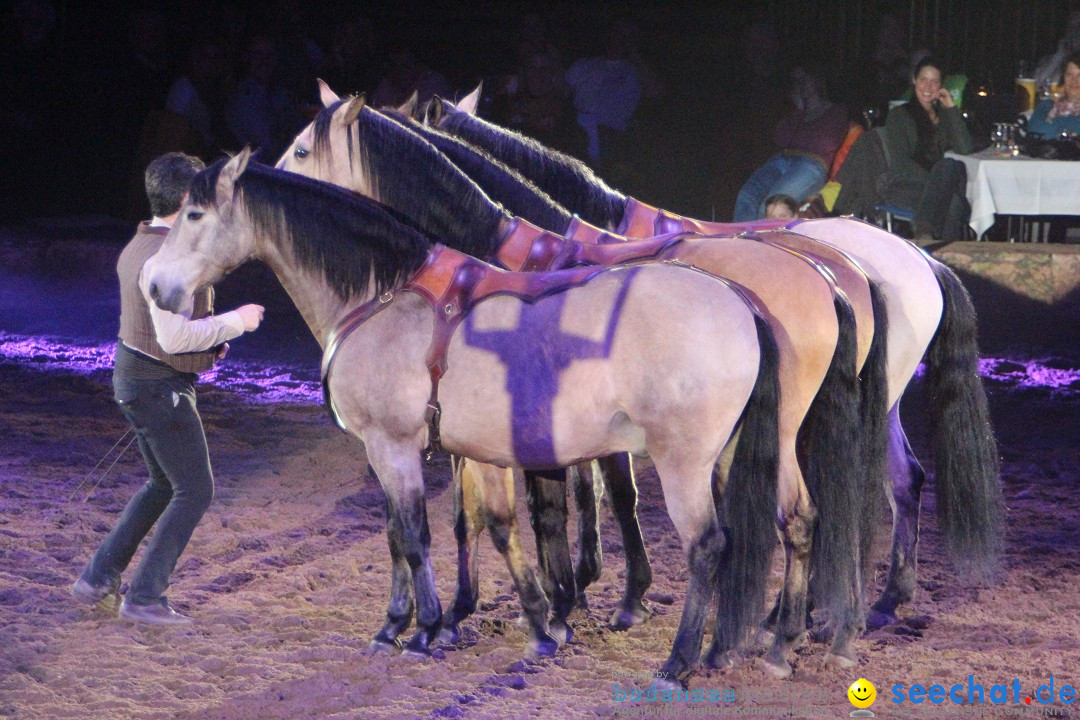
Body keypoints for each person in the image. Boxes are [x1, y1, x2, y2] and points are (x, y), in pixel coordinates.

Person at [71, 153, 264, 625]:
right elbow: (174, 338)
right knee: (194, 490)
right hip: (158, 388)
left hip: (141, 380)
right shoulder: (161, 256)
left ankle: (97, 577)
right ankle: (145, 597)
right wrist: (234, 323)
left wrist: (211, 341)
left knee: (163, 484)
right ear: (185, 198)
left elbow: (166, 334)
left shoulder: (140, 244)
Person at [733, 66, 848, 221]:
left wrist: (800, 134)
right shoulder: (796, 113)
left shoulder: (836, 111)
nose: (800, 84)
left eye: (804, 79)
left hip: (811, 164)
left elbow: (825, 142)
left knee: (771, 206)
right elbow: (780, 139)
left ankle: (764, 244)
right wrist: (800, 111)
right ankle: (743, 242)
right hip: (780, 160)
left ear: (817, 81)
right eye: (796, 81)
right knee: (747, 196)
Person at [882, 56, 973, 244]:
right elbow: (901, 162)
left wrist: (950, 107)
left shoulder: (944, 116)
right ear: (914, 80)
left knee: (952, 174)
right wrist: (937, 180)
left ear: (941, 86)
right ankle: (946, 258)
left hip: (935, 189)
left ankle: (926, 237)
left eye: (934, 81)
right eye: (923, 79)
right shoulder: (899, 115)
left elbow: (965, 148)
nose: (928, 86)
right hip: (905, 185)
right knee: (951, 188)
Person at [1028, 52, 1080, 139]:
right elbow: (1035, 131)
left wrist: (1053, 126)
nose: (1074, 80)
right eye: (1069, 74)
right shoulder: (1047, 105)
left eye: (1079, 75)